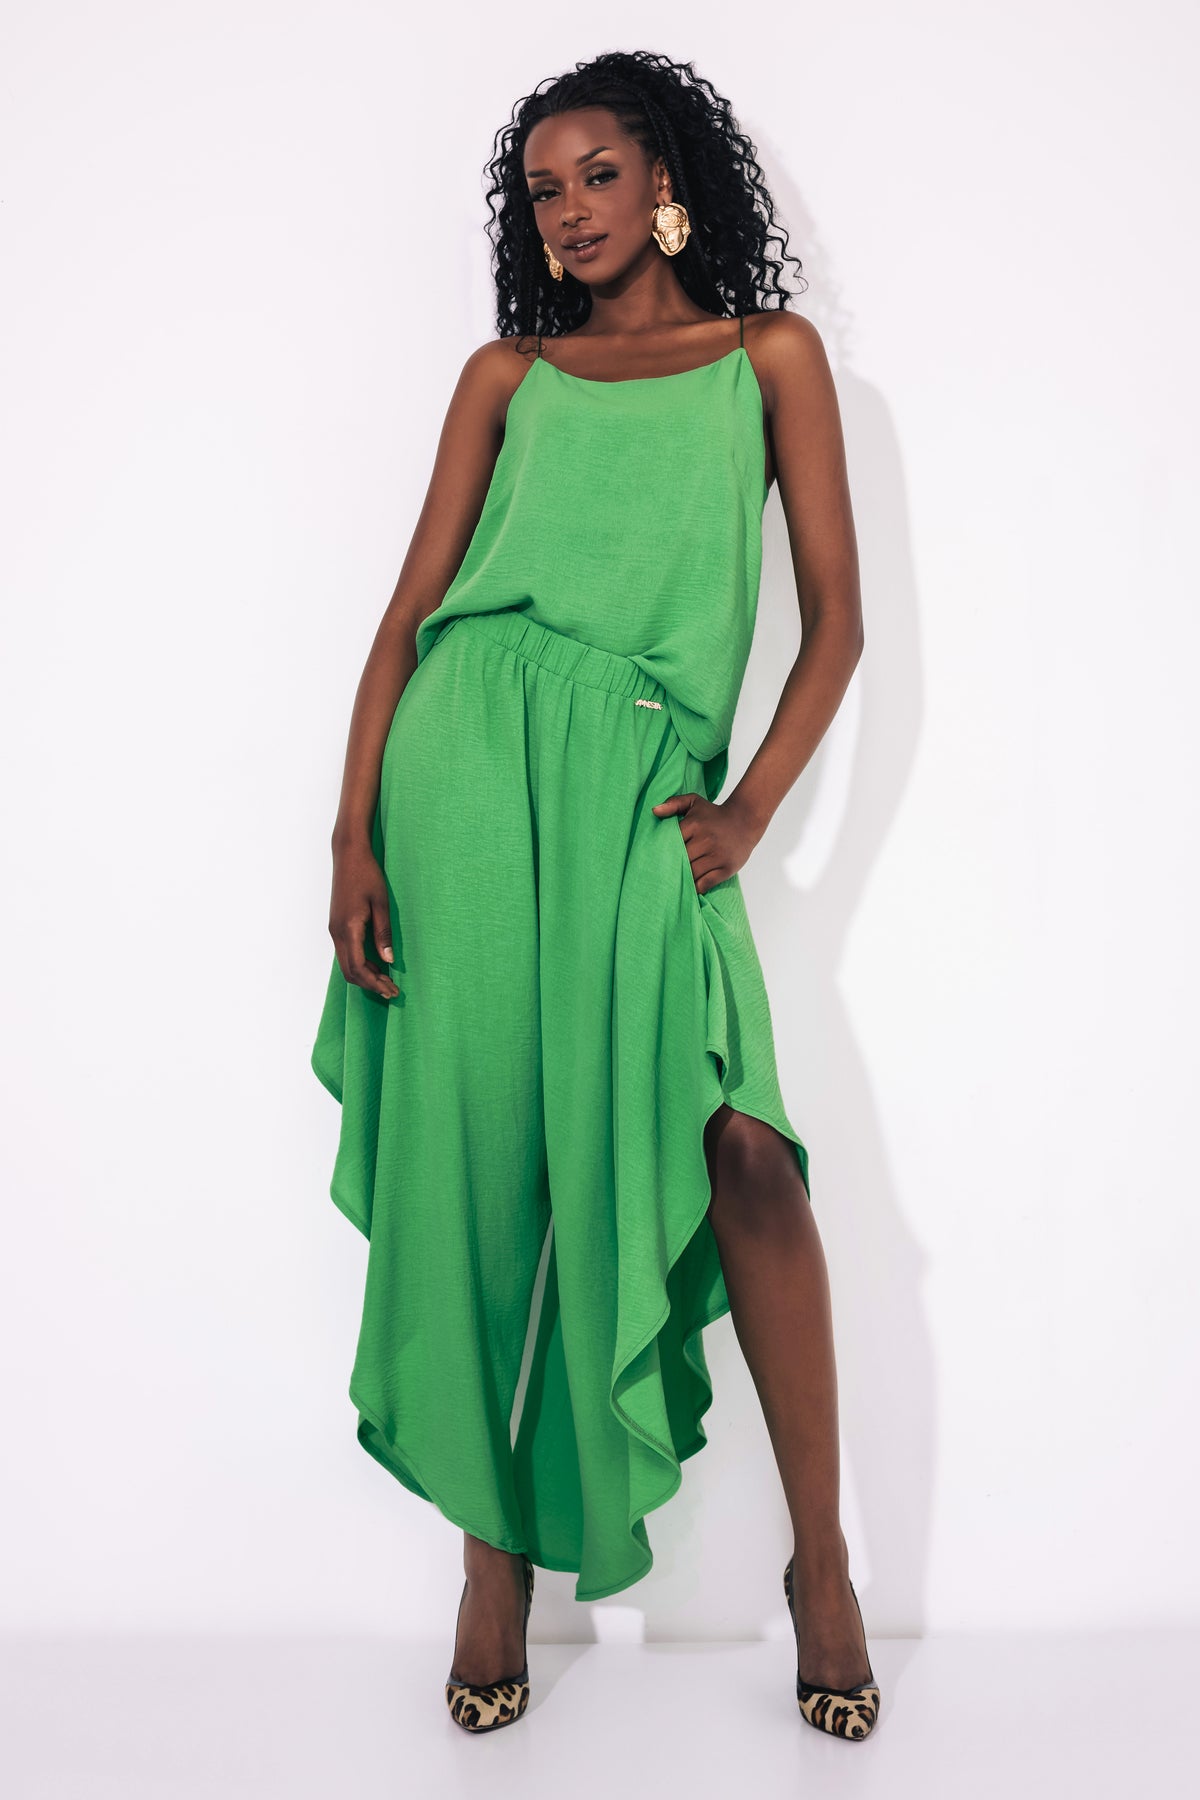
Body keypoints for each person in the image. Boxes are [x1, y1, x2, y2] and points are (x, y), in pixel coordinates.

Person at [311, 49, 878, 1741]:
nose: (569, 213)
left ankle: (826, 1566)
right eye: (543, 191)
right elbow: (407, 615)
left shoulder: (769, 359)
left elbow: (837, 619)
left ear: (670, 179)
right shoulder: (510, 376)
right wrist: (352, 838)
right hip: (466, 779)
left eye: (599, 176)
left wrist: (750, 810)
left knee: (744, 1151)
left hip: (640, 789)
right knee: (481, 1169)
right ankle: (491, 1562)